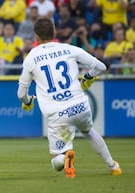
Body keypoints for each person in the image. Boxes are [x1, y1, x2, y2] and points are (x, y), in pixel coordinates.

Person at [17, 18, 122, 179]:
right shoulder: (69, 49)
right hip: (80, 106)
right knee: (88, 131)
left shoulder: (31, 57)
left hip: (58, 114)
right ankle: (113, 166)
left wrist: (28, 101)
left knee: (56, 161)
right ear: (55, 32)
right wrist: (87, 76)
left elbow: (21, 94)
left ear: (36, 37)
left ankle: (65, 158)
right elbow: (100, 66)